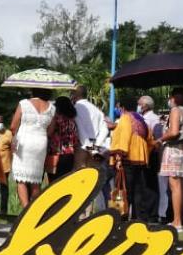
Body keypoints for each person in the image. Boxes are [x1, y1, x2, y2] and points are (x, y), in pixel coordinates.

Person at [109, 95, 155, 221]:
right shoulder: (141, 119)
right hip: (140, 160)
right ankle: (138, 218)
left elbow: (123, 138)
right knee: (138, 191)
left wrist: (119, 157)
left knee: (123, 190)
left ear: (121, 107)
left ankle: (121, 218)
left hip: (126, 159)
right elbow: (150, 140)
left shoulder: (125, 118)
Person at [156, 87, 183, 231]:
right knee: (179, 187)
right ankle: (177, 219)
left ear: (174, 98)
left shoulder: (176, 110)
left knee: (175, 186)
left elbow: (173, 132)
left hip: (174, 149)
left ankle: (177, 221)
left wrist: (160, 139)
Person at [69, 85, 111, 213]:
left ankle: (80, 211)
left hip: (83, 147)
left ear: (74, 96)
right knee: (92, 181)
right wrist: (96, 146)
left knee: (79, 179)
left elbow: (80, 130)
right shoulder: (96, 110)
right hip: (95, 146)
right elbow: (105, 129)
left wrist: (89, 147)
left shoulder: (76, 109)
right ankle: (92, 211)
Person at [9, 88, 54, 208]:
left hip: (24, 142)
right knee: (36, 179)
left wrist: (14, 137)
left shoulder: (24, 104)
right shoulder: (52, 108)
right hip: (40, 143)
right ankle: (35, 210)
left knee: (21, 179)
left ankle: (25, 209)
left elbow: (13, 126)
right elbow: (50, 130)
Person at [46, 97, 79, 182]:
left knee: (53, 183)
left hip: (56, 154)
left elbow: (49, 133)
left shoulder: (55, 119)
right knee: (65, 182)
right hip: (70, 155)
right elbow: (75, 140)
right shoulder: (72, 121)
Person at [0, 115, 13, 214]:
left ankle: (3, 211)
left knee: (4, 189)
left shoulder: (8, 133)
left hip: (5, 166)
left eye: (0, 122)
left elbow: (13, 148)